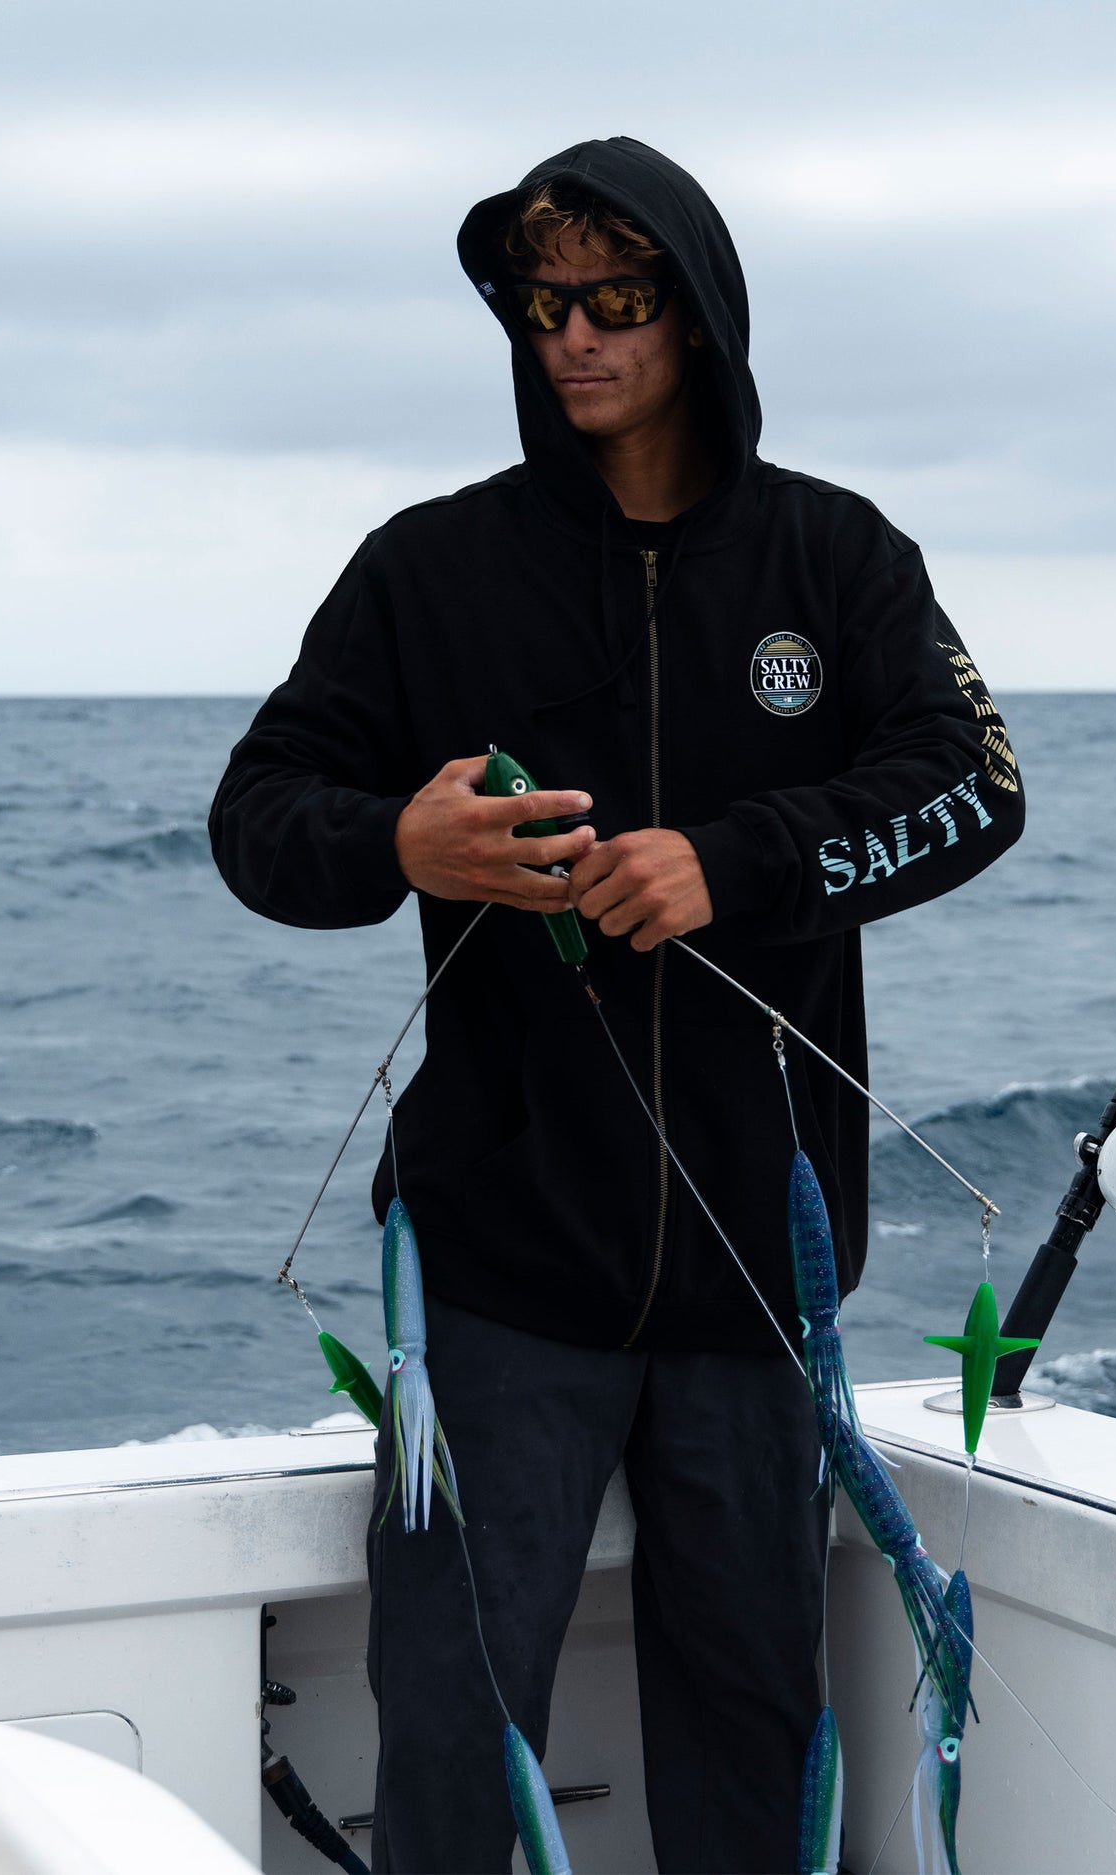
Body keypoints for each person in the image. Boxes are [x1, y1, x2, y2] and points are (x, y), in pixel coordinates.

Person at [209, 136, 1024, 1875]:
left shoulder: (838, 556)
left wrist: (741, 860)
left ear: (699, 315)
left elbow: (976, 783)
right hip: (502, 1266)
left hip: (762, 1260)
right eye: (542, 301)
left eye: (618, 301)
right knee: (452, 1718)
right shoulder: (426, 570)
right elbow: (257, 820)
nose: (574, 336)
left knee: (754, 1730)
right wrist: (400, 840)